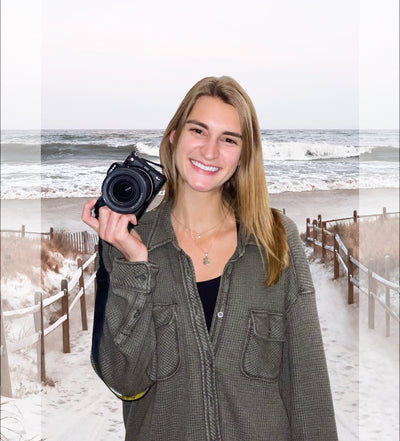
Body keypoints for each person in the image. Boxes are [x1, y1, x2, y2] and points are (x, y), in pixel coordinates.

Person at [82, 76, 338, 441]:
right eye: (198, 130)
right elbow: (124, 379)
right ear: (174, 137)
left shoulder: (276, 239)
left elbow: (309, 387)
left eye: (228, 139)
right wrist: (135, 264)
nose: (210, 151)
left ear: (244, 154)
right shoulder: (126, 244)